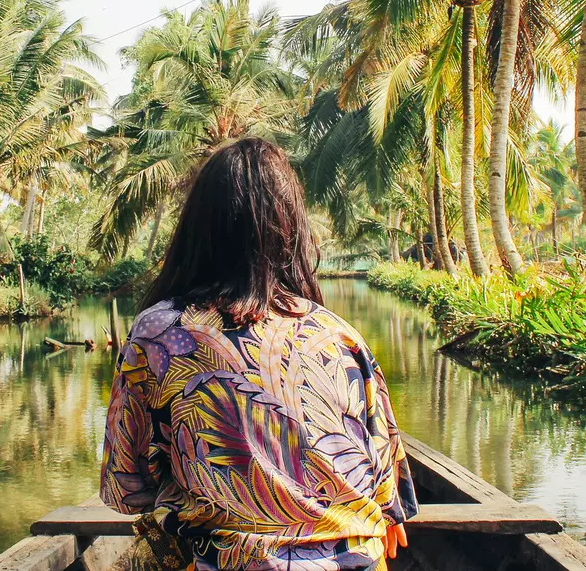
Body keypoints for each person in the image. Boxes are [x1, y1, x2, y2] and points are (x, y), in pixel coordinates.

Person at [100, 138, 417, 571]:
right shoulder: (339, 335)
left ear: (197, 229)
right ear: (292, 231)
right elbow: (388, 496)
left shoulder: (158, 333)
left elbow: (127, 489)